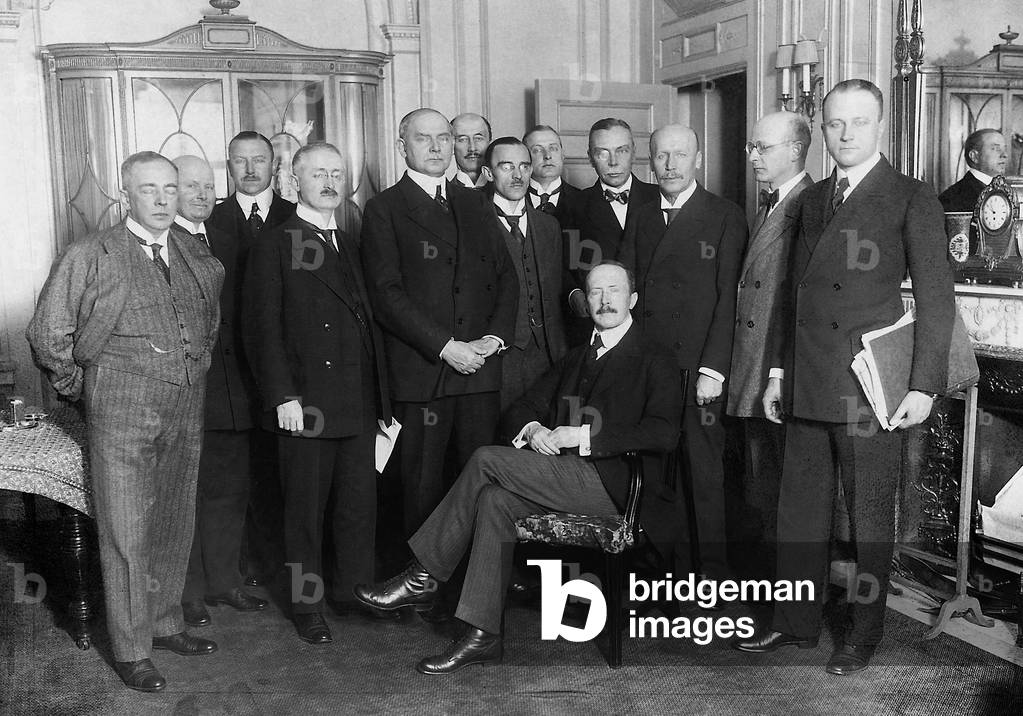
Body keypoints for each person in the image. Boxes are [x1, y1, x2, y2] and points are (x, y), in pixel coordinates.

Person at [353, 261, 683, 674]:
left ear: (632, 299)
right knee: (495, 500)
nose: (604, 300)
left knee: (485, 459)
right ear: (586, 301)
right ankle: (483, 635)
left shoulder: (655, 356)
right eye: (595, 292)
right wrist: (533, 429)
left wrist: (581, 437)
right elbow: (522, 407)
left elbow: (664, 432)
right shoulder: (576, 358)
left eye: (613, 290)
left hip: (618, 488)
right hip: (565, 479)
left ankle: (422, 575)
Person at [734, 79, 955, 675]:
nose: (846, 133)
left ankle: (863, 634)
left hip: (867, 386)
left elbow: (937, 300)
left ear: (880, 126)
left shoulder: (910, 196)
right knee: (798, 513)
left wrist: (923, 385)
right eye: (835, 123)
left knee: (867, 519)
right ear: (822, 132)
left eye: (858, 121)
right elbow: (791, 295)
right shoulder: (810, 200)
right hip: (807, 377)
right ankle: (795, 622)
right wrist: (776, 372)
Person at [26, 151, 224, 692]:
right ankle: (133, 650)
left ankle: (164, 623)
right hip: (119, 410)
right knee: (126, 530)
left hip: (185, 406)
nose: (162, 200)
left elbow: (209, 325)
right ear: (125, 194)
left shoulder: (196, 252)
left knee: (174, 520)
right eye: (148, 189)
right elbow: (48, 333)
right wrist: (84, 390)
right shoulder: (91, 254)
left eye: (170, 189)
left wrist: (190, 366)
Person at [243, 142, 392, 644]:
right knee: (303, 514)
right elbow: (261, 328)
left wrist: (382, 401)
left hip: (357, 399)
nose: (329, 182)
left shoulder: (347, 241)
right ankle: (307, 605)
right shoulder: (275, 243)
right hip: (305, 403)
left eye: (336, 173)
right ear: (294, 182)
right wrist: (282, 395)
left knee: (357, 507)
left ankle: (353, 592)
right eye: (318, 174)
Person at [360, 108, 518, 536]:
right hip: (423, 374)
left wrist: (494, 338)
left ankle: (475, 578)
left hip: (479, 371)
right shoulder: (384, 208)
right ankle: (420, 580)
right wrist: (446, 347)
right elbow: (386, 295)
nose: (436, 147)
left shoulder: (475, 201)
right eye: (423, 138)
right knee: (422, 489)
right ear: (402, 147)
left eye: (444, 138)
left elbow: (506, 276)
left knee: (480, 486)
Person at [618, 124, 747, 584]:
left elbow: (730, 300)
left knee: (703, 478)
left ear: (698, 159)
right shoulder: (642, 214)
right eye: (661, 156)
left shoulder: (725, 215)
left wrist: (713, 369)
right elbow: (627, 286)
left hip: (698, 370)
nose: (670, 165)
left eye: (680, 155)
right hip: (649, 370)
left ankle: (711, 580)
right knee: (656, 474)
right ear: (650, 161)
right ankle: (665, 576)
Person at [172, 155, 268, 628]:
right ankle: (187, 592)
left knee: (230, 492)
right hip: (187, 395)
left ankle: (225, 581)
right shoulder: (161, 246)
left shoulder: (231, 240)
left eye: (208, 186)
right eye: (190, 186)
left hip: (234, 394)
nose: (202, 195)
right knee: (186, 497)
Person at [725, 112, 813, 576]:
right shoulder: (770, 204)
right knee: (759, 485)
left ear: (796, 150)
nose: (753, 156)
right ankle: (765, 583)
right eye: (751, 147)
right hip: (752, 364)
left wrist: (777, 374)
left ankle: (784, 589)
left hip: (775, 368)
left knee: (780, 487)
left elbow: (794, 300)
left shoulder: (809, 205)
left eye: (763, 147)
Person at [208, 130, 296, 588]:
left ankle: (277, 563)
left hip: (285, 367)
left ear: (275, 165)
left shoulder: (295, 216)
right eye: (239, 161)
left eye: (258, 160)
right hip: (228, 369)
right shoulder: (210, 218)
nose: (249, 169)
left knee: (280, 470)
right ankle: (238, 566)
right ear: (228, 166)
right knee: (233, 473)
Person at [481, 136, 568, 410]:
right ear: (488, 173)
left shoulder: (549, 226)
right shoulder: (475, 224)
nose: (518, 175)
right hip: (498, 358)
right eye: (507, 167)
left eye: (524, 166)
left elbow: (555, 291)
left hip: (547, 355)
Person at [563, 118, 659, 345]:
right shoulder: (573, 205)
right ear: (590, 157)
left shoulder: (660, 198)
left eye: (621, 151)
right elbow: (562, 265)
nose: (613, 162)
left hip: (655, 323)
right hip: (597, 325)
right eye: (602, 153)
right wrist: (574, 294)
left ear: (634, 152)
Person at [522, 124, 582, 225]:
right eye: (537, 150)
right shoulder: (512, 198)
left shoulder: (582, 200)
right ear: (525, 158)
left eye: (553, 148)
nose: (547, 156)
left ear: (562, 155)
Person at [938, 128, 1009, 212]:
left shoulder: (1008, 191)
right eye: (995, 148)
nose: (1005, 155)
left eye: (1005, 149)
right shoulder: (952, 198)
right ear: (974, 156)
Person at [451, 112, 492, 188]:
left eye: (478, 138)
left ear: (489, 142)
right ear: (451, 146)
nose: (472, 148)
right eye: (463, 139)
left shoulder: (505, 191)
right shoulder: (444, 193)